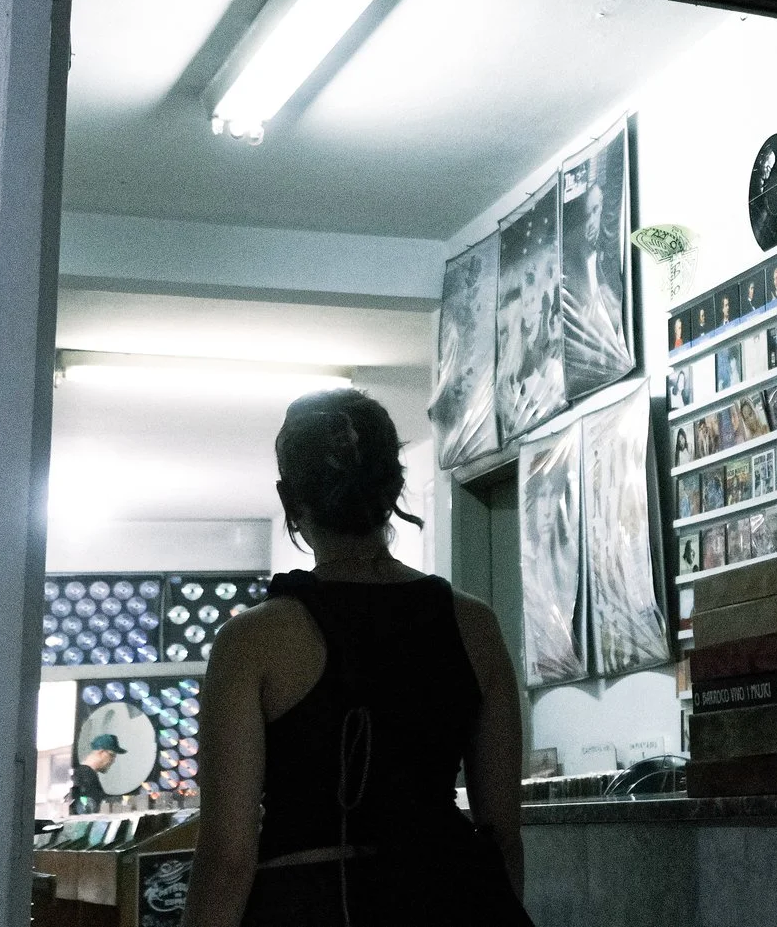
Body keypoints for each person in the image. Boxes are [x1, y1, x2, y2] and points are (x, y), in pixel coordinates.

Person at [182, 389, 530, 927]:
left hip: (309, 907)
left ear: (290, 500)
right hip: (450, 900)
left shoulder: (251, 641)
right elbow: (502, 834)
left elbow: (228, 859)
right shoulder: (474, 624)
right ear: (394, 487)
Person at [69, 734, 125, 814]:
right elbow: (90, 810)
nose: (113, 760)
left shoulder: (83, 773)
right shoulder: (87, 776)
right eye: (112, 755)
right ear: (101, 752)